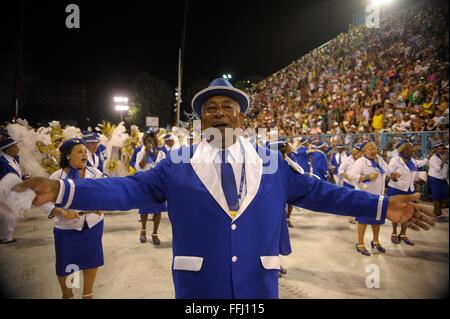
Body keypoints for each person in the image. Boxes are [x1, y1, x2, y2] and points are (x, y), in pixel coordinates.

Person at [14, 78, 434, 299]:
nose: (219, 114)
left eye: (227, 108)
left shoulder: (272, 163)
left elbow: (324, 192)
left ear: (240, 119)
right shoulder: (175, 163)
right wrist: (64, 191)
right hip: (199, 288)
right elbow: (127, 190)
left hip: (258, 285)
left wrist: (381, 205)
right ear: (200, 122)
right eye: (210, 109)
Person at [40, 138, 105, 299]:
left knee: (91, 260)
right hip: (67, 229)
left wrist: (103, 204)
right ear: (68, 155)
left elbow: (106, 192)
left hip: (92, 225)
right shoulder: (57, 176)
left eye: (85, 151)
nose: (85, 154)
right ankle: (68, 294)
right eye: (79, 151)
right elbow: (43, 202)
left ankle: (87, 294)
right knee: (68, 264)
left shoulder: (95, 173)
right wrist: (61, 212)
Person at [349, 141, 401, 256]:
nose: (373, 151)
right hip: (364, 196)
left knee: (377, 219)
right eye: (370, 149)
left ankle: (376, 241)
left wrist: (393, 175)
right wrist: (367, 177)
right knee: (363, 220)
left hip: (379, 195)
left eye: (375, 148)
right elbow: (352, 177)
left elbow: (387, 171)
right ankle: (360, 243)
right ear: (364, 151)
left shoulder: (379, 160)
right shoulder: (360, 162)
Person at [388, 140, 429, 244]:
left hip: (409, 190)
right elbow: (389, 173)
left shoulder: (412, 161)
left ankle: (403, 234)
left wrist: (418, 183)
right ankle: (394, 233)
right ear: (404, 150)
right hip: (396, 189)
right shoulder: (395, 160)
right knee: (396, 212)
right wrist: (393, 177)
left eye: (412, 149)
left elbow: (414, 173)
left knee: (408, 212)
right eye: (410, 149)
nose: (413, 151)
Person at [133, 131, 167, 245]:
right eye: (147, 141)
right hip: (145, 184)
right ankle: (143, 231)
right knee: (144, 209)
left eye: (151, 140)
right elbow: (139, 167)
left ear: (155, 141)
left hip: (158, 185)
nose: (149, 143)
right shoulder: (140, 153)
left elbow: (164, 168)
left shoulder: (161, 153)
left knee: (157, 210)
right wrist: (146, 154)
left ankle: (155, 233)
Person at [0, 134, 24, 244]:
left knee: (11, 214)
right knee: (7, 214)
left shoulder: (14, 159)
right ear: (7, 149)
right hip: (5, 192)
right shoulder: (2, 162)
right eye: (15, 147)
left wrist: (22, 177)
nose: (17, 149)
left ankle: (7, 235)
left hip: (13, 191)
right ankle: (5, 237)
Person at [338, 143, 364, 224]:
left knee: (358, 200)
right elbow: (340, 169)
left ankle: (357, 215)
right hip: (348, 183)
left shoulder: (363, 160)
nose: (359, 154)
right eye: (357, 152)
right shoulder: (348, 159)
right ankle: (350, 215)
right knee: (350, 199)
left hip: (359, 183)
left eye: (360, 152)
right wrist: (346, 175)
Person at [427, 142, 449, 222]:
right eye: (438, 148)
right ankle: (436, 214)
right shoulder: (433, 158)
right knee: (436, 197)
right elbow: (438, 169)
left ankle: (440, 213)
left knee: (443, 196)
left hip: (443, 179)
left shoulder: (443, 156)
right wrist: (443, 162)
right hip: (435, 178)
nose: (440, 150)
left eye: (442, 149)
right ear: (435, 149)